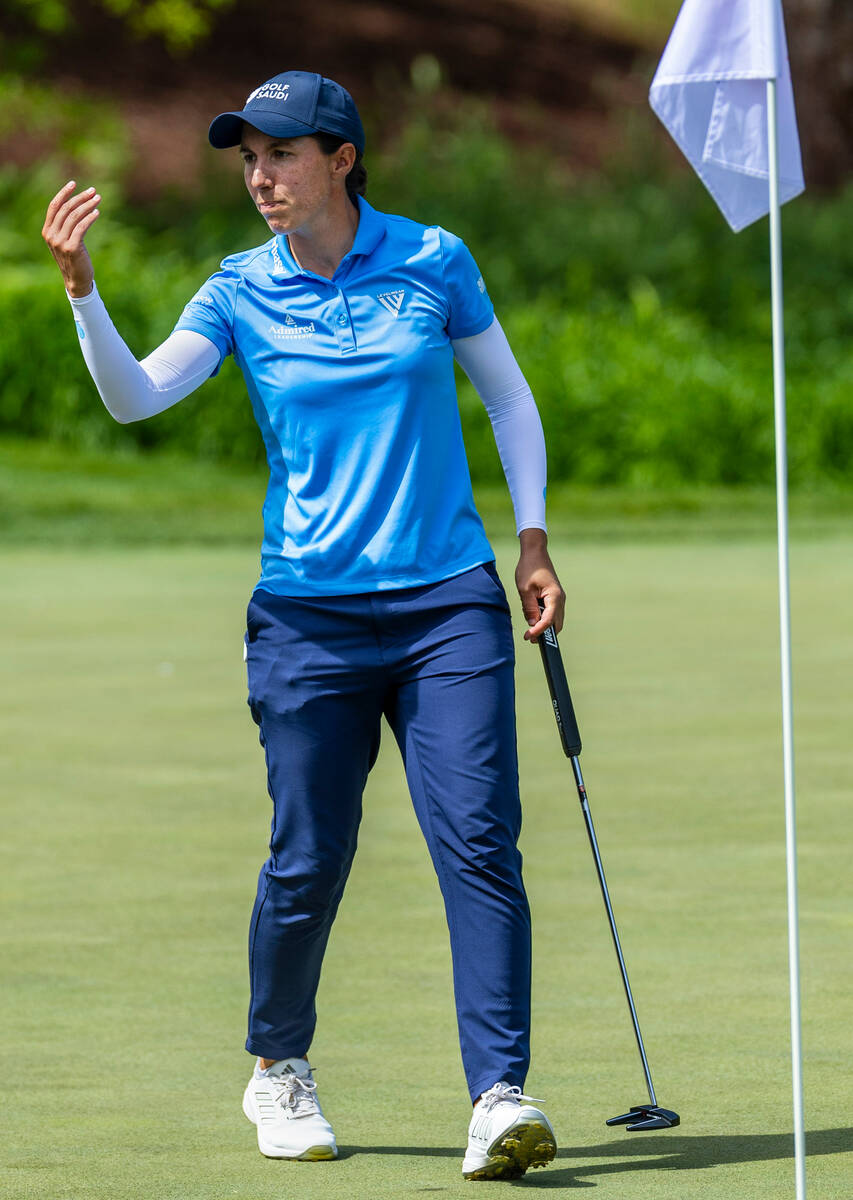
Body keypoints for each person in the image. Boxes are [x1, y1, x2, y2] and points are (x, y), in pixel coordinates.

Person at [42, 70, 566, 1181]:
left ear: (340, 157)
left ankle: (500, 1093)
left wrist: (530, 538)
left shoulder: (433, 260)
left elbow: (509, 398)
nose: (260, 177)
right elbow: (137, 397)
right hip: (306, 620)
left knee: (477, 840)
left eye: (280, 154)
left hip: (446, 606)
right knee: (309, 856)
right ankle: (278, 1067)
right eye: (247, 160)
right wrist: (83, 290)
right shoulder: (237, 289)